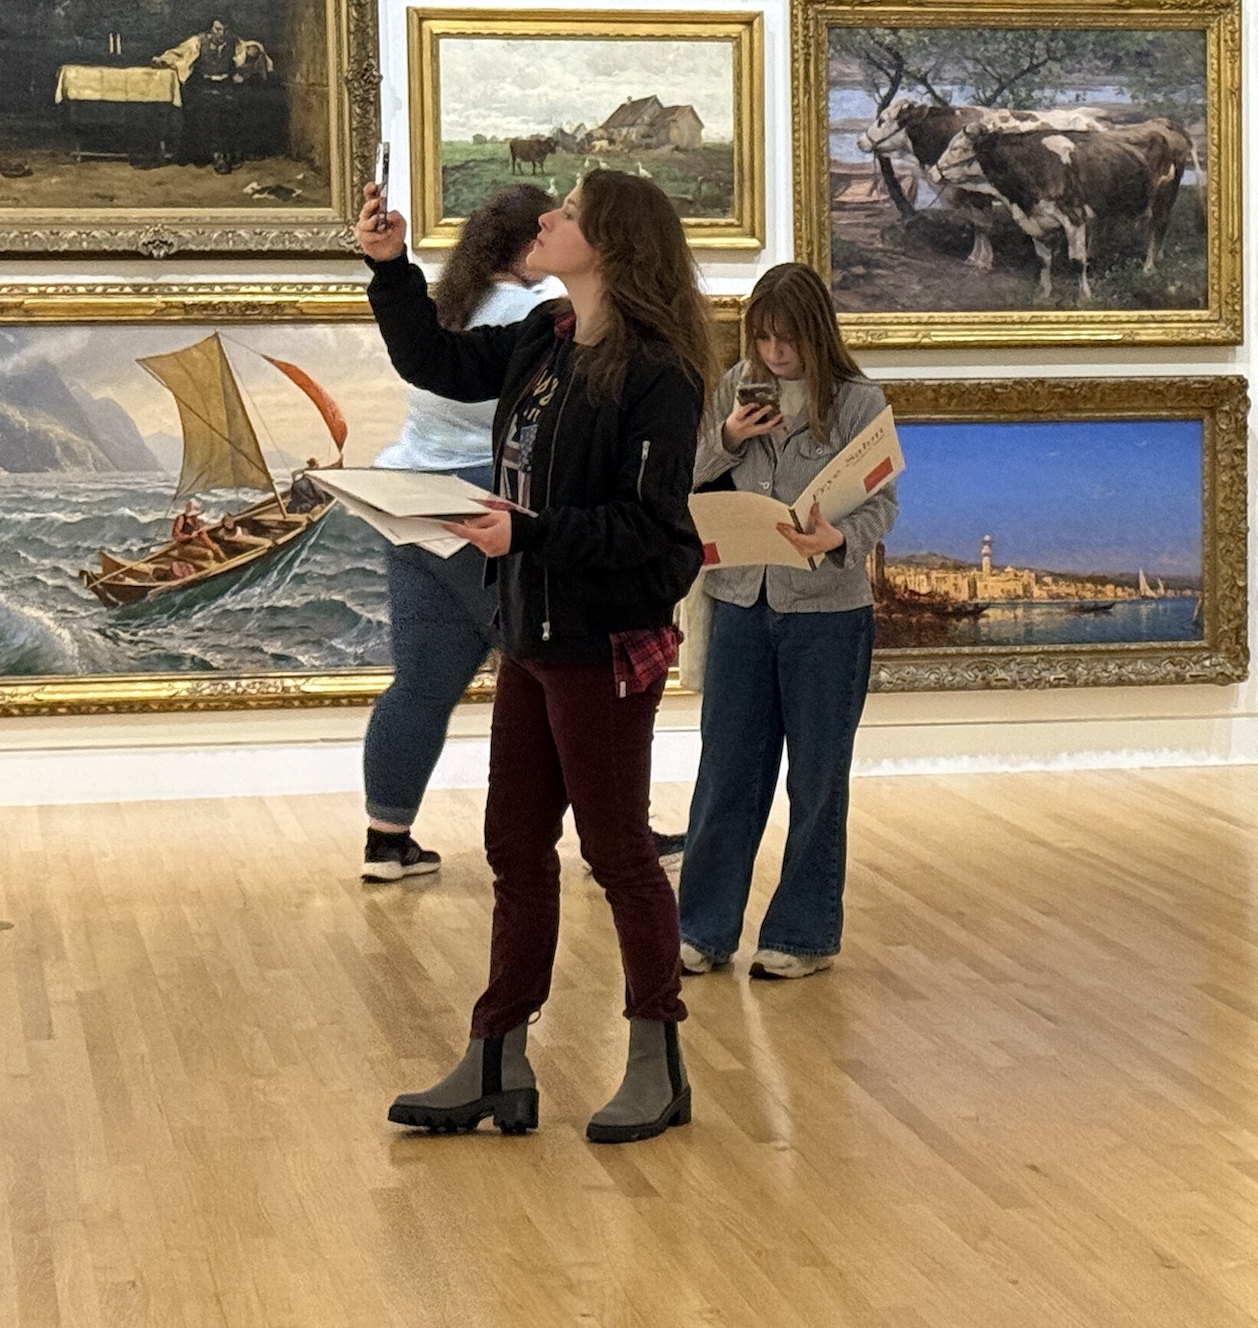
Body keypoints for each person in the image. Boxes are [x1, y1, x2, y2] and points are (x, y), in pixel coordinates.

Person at [357, 166, 712, 1143]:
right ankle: (496, 1060)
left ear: (610, 243)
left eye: (566, 214)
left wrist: (533, 535)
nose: (546, 221)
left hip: (599, 645)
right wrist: (390, 268)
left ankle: (657, 1059)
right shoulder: (545, 339)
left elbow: (656, 536)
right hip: (532, 639)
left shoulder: (658, 375)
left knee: (620, 857)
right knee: (515, 850)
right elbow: (437, 360)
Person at [676, 262, 898, 981]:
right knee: (726, 774)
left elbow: (880, 504)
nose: (774, 353)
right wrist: (730, 439)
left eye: (788, 339)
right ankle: (703, 930)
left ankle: (801, 936)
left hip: (828, 614)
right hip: (741, 602)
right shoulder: (733, 390)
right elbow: (685, 477)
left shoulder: (861, 403)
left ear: (817, 333)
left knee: (818, 780)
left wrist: (841, 540)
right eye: (763, 338)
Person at [358, 184, 553, 884]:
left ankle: (388, 840)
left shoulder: (453, 305)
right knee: (557, 680)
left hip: (406, 502)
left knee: (418, 684)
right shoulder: (539, 310)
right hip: (482, 503)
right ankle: (612, 835)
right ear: (533, 242)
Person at [151, 17, 272, 173]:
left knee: (230, 108)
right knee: (207, 109)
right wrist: (163, 60)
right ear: (211, 29)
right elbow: (177, 53)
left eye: (225, 30)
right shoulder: (198, 42)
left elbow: (253, 47)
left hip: (225, 84)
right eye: (218, 29)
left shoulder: (233, 42)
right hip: (202, 84)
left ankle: (225, 154)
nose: (221, 33)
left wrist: (254, 50)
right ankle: (214, 154)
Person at [169, 499, 224, 564]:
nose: (194, 517)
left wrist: (212, 546)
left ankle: (225, 563)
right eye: (192, 515)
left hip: (193, 543)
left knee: (216, 548)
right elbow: (176, 536)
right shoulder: (181, 519)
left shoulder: (196, 521)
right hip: (183, 547)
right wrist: (189, 537)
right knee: (208, 553)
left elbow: (203, 536)